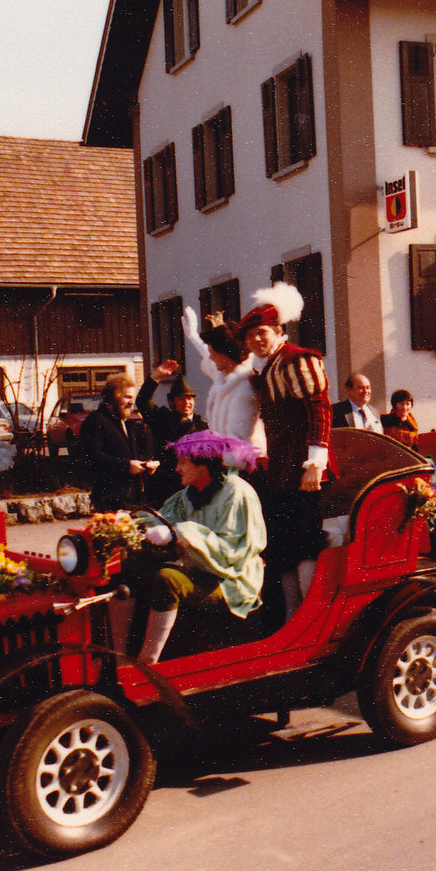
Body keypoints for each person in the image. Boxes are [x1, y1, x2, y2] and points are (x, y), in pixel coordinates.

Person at [111, 430, 267, 664]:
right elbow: (164, 519)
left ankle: (148, 662)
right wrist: (129, 523)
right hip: (199, 570)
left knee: (168, 580)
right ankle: (119, 657)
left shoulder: (237, 493)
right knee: (128, 567)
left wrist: (181, 533)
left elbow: (231, 553)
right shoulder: (189, 494)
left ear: (202, 465)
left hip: (231, 581)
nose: (177, 469)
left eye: (183, 462)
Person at [237, 282, 334, 620]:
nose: (255, 340)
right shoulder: (267, 368)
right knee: (283, 548)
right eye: (250, 336)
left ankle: (310, 616)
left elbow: (319, 409)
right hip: (281, 470)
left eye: (261, 332)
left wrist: (315, 464)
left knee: (305, 544)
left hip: (305, 470)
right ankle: (294, 616)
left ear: (278, 331)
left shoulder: (297, 359)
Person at [181, 308, 265, 453]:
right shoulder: (226, 380)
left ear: (224, 354)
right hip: (227, 459)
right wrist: (193, 337)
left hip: (245, 461)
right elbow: (207, 354)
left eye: (213, 353)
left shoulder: (243, 388)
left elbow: (239, 443)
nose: (210, 357)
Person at [78, 374, 157, 512]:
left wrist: (146, 465)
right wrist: (126, 466)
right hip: (109, 501)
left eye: (132, 398)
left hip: (132, 500)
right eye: (127, 397)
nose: (132, 402)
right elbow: (92, 457)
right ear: (112, 398)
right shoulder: (95, 421)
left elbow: (130, 456)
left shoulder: (124, 422)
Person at [137, 361, 209, 505]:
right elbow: (142, 401)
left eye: (189, 399)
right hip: (165, 486)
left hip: (193, 486)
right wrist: (156, 376)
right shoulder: (162, 418)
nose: (186, 403)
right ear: (171, 402)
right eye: (181, 399)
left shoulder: (202, 426)